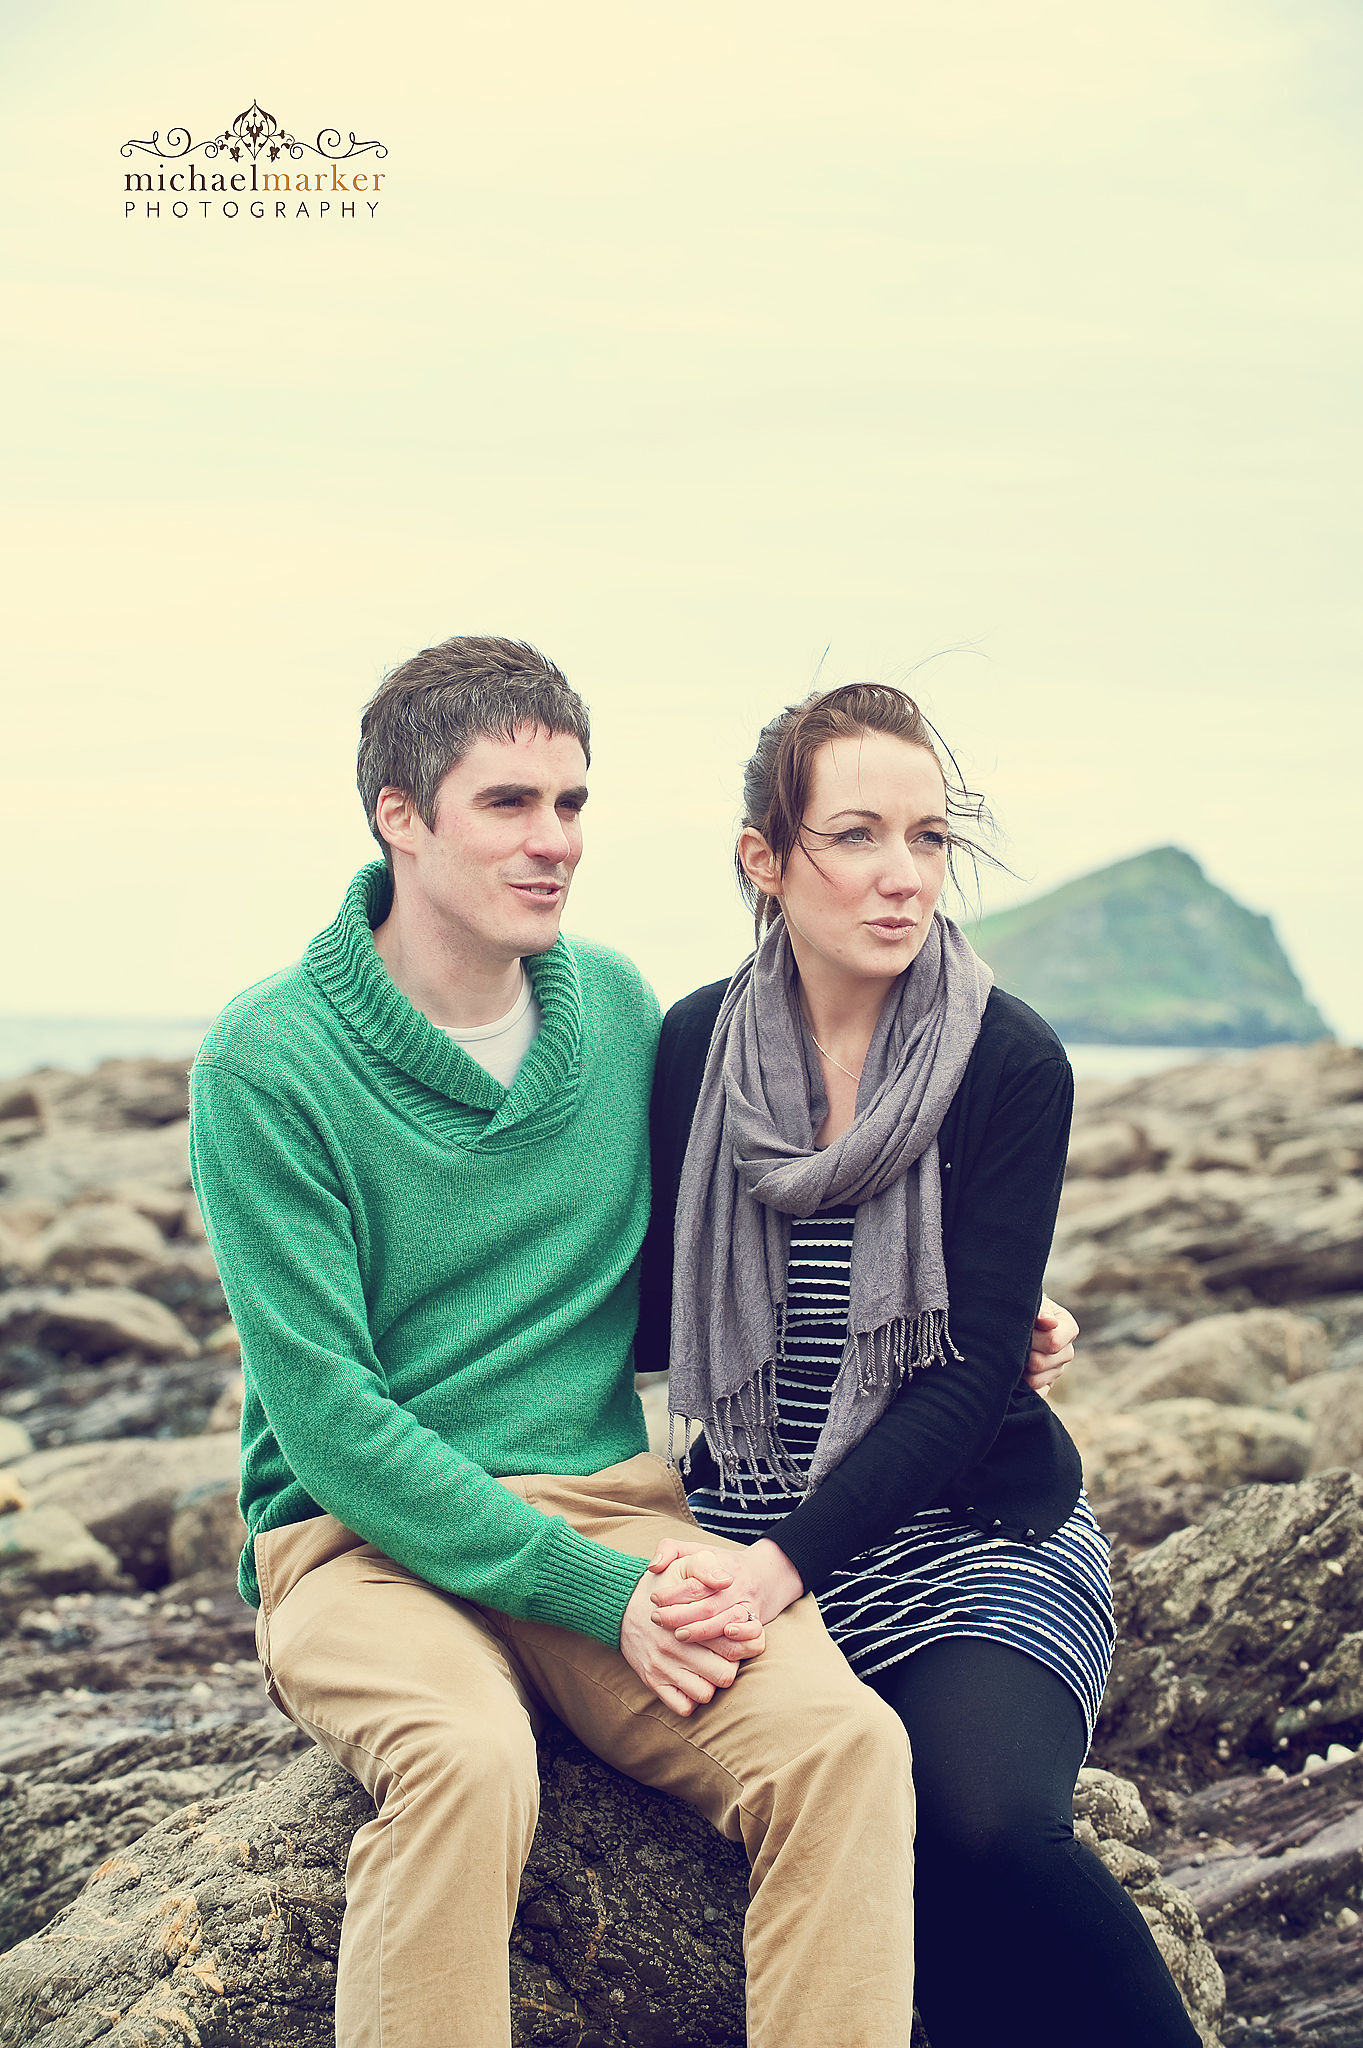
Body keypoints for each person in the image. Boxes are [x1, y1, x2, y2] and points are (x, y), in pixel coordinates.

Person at [190, 636, 928, 2048]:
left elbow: (721, 1271)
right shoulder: (268, 1060)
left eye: (573, 804)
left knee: (843, 1747)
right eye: (510, 805)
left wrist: (953, 1308)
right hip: (360, 1543)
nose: (555, 843)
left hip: (610, 1507)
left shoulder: (622, 1010)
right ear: (399, 818)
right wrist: (604, 1602)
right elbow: (333, 1421)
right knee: (469, 1762)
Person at [636, 682, 1202, 2048]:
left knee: (981, 1825)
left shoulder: (1010, 1062)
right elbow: (652, 1331)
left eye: (930, 839)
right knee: (861, 1834)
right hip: (748, 1513)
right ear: (765, 861)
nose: (902, 879)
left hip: (967, 1535)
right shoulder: (697, 1047)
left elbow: (959, 1388)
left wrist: (775, 1574)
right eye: (857, 837)